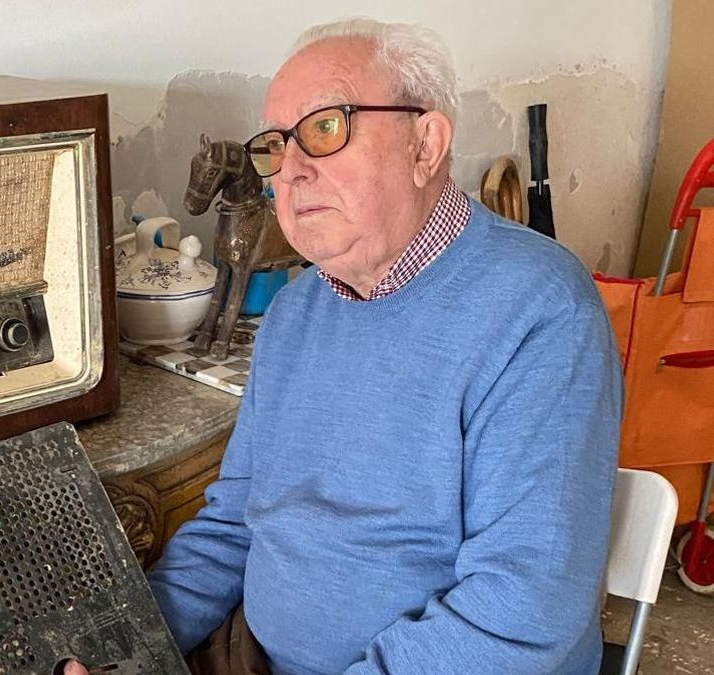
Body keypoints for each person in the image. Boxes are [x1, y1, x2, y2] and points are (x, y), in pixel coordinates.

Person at [71, 17, 622, 675]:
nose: (290, 172)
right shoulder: (295, 312)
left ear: (425, 144)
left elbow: (522, 610)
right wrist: (125, 647)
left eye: (326, 128)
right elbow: (232, 528)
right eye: (276, 144)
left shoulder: (540, 309)